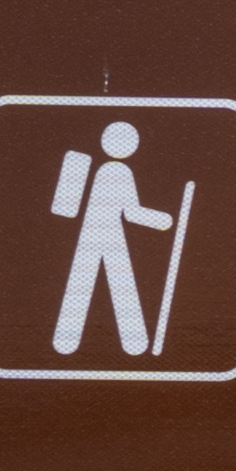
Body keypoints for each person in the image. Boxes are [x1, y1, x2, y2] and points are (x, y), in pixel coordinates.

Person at [48, 120, 183, 360]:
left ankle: (68, 343)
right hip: (105, 235)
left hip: (95, 234)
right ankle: (131, 345)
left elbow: (65, 207)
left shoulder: (83, 163)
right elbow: (131, 213)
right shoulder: (116, 171)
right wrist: (165, 220)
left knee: (86, 284)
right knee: (119, 286)